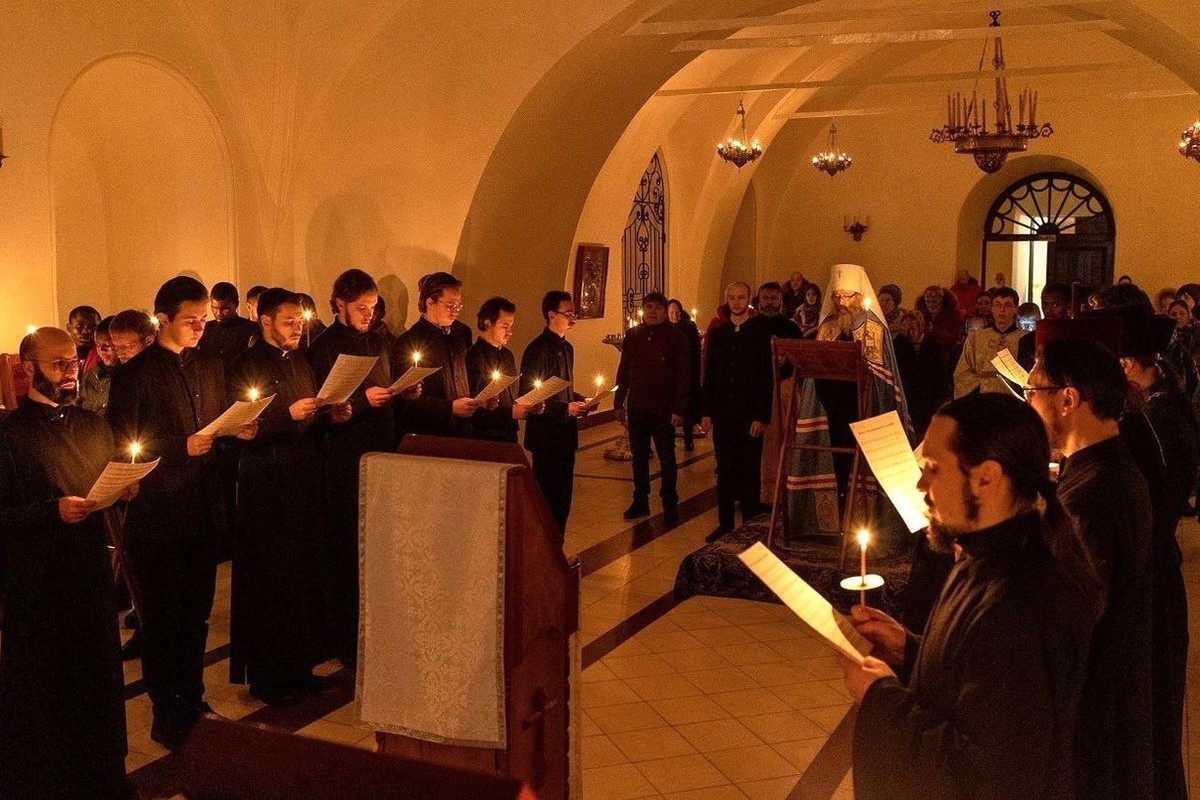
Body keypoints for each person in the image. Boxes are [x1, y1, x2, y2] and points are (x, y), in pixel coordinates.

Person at [844, 393, 1097, 800]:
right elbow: (979, 684)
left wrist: (879, 698)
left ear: (985, 478)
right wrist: (909, 649)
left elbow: (988, 777)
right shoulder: (988, 554)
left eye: (932, 468)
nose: (921, 484)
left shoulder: (1020, 602)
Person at [107, 276, 252, 750]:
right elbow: (123, 444)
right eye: (191, 321)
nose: (199, 329)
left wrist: (238, 429)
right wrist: (179, 446)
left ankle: (193, 699)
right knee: (163, 621)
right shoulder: (135, 373)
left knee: (197, 617)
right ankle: (166, 711)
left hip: (204, 511)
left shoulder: (210, 364)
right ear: (162, 318)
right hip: (160, 515)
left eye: (204, 320)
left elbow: (216, 422)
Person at [0, 327, 134, 799]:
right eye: (57, 364)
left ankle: (101, 775)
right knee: (42, 690)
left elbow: (104, 479)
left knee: (96, 682)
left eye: (73, 363)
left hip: (88, 575)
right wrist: (49, 511)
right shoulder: (9, 435)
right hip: (36, 583)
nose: (69, 372)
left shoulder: (93, 425)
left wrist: (123, 487)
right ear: (28, 368)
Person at [1025, 337, 1154, 799]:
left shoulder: (1093, 496)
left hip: (1091, 709)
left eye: (1031, 391)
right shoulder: (1106, 468)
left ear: (1067, 399)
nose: (1028, 403)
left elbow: (1068, 619)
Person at [227, 288, 350, 706]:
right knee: (270, 582)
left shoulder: (302, 359)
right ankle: (267, 675)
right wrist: (286, 416)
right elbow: (241, 429)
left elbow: (310, 419)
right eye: (289, 321)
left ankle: (299, 667)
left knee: (301, 577)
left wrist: (331, 415)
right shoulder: (246, 366)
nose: (298, 328)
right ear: (265, 321)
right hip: (265, 487)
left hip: (301, 481)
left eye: (301, 321)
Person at [308, 269, 400, 667]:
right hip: (345, 459)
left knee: (378, 547)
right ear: (340, 303)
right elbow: (327, 410)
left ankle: (376, 626)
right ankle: (345, 637)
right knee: (347, 550)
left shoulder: (379, 340)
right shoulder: (325, 346)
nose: (369, 314)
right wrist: (362, 404)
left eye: (374, 307)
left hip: (381, 451)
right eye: (361, 308)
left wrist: (402, 390)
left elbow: (385, 386)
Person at [786, 264, 912, 544]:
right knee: (836, 467)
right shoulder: (828, 325)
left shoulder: (873, 327)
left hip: (864, 409)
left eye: (849, 296)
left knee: (858, 468)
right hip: (829, 410)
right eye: (838, 297)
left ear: (861, 294)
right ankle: (829, 526)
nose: (843, 302)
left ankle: (864, 528)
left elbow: (883, 376)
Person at [701, 282, 773, 541]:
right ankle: (725, 523)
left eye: (741, 297)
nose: (736, 302)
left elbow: (766, 378)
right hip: (724, 414)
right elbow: (709, 375)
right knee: (725, 470)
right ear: (727, 300)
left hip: (750, 415)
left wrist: (761, 416)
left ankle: (750, 525)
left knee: (749, 470)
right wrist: (706, 412)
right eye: (731, 298)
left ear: (748, 300)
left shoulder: (760, 332)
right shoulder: (719, 334)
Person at [615, 292, 690, 525]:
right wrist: (618, 402)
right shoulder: (633, 335)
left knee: (667, 457)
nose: (653, 312)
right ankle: (640, 500)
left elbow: (684, 375)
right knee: (639, 457)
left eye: (658, 308)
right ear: (643, 309)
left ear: (665, 311)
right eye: (649, 307)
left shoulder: (676, 336)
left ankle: (669, 502)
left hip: (664, 409)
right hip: (638, 407)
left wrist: (679, 408)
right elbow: (624, 370)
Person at [520, 290, 589, 535]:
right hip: (546, 438)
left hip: (565, 436)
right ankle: (547, 551)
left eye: (574, 313)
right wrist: (564, 408)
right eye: (567, 313)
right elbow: (529, 398)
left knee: (564, 500)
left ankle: (557, 550)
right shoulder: (536, 350)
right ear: (551, 315)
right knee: (548, 501)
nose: (572, 318)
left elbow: (561, 388)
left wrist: (579, 400)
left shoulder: (567, 348)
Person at [392, 271, 483, 437]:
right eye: (450, 306)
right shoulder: (409, 342)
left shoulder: (460, 335)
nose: (456, 311)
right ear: (430, 302)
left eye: (458, 306)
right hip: (429, 435)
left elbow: (469, 379)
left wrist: (481, 400)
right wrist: (450, 408)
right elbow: (405, 402)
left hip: (463, 432)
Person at [466, 297, 540, 443]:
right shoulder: (474, 357)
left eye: (511, 326)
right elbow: (473, 407)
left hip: (509, 433)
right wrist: (510, 413)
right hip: (486, 437)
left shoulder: (507, 355)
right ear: (487, 323)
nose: (510, 332)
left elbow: (511, 397)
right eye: (505, 326)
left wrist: (529, 407)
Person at [953, 287, 1027, 397]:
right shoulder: (976, 338)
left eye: (1007, 305)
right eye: (997, 305)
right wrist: (985, 383)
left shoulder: (1025, 338)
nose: (1002, 310)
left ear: (1016, 309)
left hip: (1014, 401)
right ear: (992, 308)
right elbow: (962, 374)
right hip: (983, 399)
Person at [667, 299, 702, 452]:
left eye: (676, 312)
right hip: (670, 376)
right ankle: (669, 439)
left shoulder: (689, 326)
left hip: (687, 373)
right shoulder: (665, 329)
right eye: (671, 312)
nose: (674, 315)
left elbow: (695, 352)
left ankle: (688, 439)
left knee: (687, 409)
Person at [197, 281, 257, 369]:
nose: (219, 313)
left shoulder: (251, 329)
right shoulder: (205, 329)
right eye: (214, 308)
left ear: (236, 304)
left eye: (225, 309)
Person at [79, 315, 117, 415]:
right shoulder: (91, 375)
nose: (101, 351)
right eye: (98, 345)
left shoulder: (128, 378)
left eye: (107, 346)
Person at [67, 304, 102, 371]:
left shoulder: (104, 359)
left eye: (92, 327)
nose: (85, 332)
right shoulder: (61, 357)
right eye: (79, 327)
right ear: (69, 328)